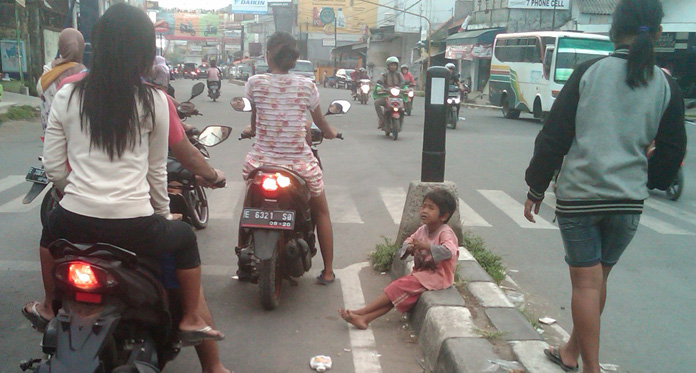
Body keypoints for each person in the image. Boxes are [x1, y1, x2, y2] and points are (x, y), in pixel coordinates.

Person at [23, 1, 225, 351]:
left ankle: (47, 307)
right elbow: (155, 172)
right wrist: (162, 217)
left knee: (48, 236)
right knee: (184, 238)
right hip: (135, 227)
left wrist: (79, 196)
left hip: (72, 220)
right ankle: (191, 317)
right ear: (146, 52)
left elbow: (54, 167)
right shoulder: (155, 100)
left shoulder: (67, 93)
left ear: (97, 47)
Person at [523, 1, 686, 372]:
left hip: (581, 197)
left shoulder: (589, 73)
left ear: (614, 31)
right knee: (597, 280)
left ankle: (590, 368)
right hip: (627, 202)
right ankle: (569, 352)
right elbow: (674, 150)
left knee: (586, 285)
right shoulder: (666, 85)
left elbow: (554, 137)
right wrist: (647, 178)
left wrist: (535, 187)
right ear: (658, 33)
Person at [241, 31, 339, 284]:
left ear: (268, 55)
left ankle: (242, 261)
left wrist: (252, 129)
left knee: (249, 206)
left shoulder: (254, 83)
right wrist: (330, 133)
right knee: (321, 213)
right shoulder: (307, 86)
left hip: (261, 162)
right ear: (293, 58)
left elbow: (255, 120)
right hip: (299, 165)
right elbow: (321, 123)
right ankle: (328, 271)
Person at [339, 189, 458, 329]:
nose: (424, 210)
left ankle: (361, 312)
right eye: (423, 206)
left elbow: (450, 251)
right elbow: (408, 241)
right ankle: (364, 318)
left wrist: (426, 246)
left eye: (431, 208)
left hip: (438, 277)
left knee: (395, 288)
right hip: (423, 275)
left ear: (444, 216)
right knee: (394, 295)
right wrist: (409, 248)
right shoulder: (423, 229)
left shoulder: (445, 232)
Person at [36, 28, 87, 133]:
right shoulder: (85, 75)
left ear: (60, 47)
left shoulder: (48, 71)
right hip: (77, 138)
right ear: (82, 48)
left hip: (52, 134)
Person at [374, 56, 405, 129]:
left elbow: (403, 82)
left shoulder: (399, 74)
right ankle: (382, 119)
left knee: (404, 105)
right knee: (377, 102)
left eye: (394, 65)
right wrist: (381, 87)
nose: (393, 67)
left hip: (397, 95)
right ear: (388, 66)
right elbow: (380, 82)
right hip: (386, 95)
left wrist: (400, 87)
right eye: (391, 65)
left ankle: (402, 119)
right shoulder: (384, 74)